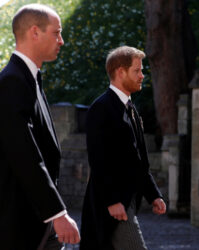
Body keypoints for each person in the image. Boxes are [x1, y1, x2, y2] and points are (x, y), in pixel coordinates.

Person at [0, 4, 80, 249]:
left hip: (37, 221)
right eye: (56, 33)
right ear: (35, 32)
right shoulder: (12, 81)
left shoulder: (30, 79)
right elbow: (24, 154)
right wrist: (57, 213)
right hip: (20, 222)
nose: (62, 40)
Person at [80, 46, 166, 250]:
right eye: (137, 70)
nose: (142, 76)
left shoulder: (131, 109)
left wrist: (153, 194)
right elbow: (98, 160)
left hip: (127, 202)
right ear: (120, 72)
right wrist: (112, 201)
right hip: (111, 206)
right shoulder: (101, 108)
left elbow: (138, 161)